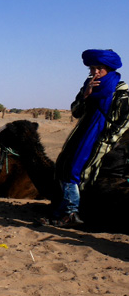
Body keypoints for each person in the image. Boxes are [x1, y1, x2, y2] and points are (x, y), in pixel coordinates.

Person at [51, 49, 129, 227]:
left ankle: (72, 211)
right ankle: (68, 210)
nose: (94, 72)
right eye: (92, 69)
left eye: (98, 68)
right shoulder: (88, 87)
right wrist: (85, 96)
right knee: (64, 167)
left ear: (108, 68)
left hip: (102, 138)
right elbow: (76, 112)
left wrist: (106, 139)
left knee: (77, 170)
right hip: (82, 134)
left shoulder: (121, 92)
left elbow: (124, 120)